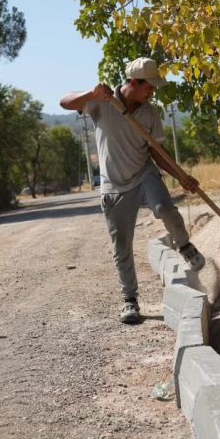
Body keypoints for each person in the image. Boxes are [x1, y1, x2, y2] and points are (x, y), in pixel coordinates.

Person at [60, 57, 206, 324]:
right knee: (122, 245)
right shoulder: (100, 102)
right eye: (149, 87)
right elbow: (65, 102)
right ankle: (130, 300)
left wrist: (182, 177)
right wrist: (91, 93)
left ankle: (184, 245)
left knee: (164, 208)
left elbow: (157, 152)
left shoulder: (151, 113)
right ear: (133, 82)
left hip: (144, 173)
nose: (153, 92)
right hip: (114, 185)